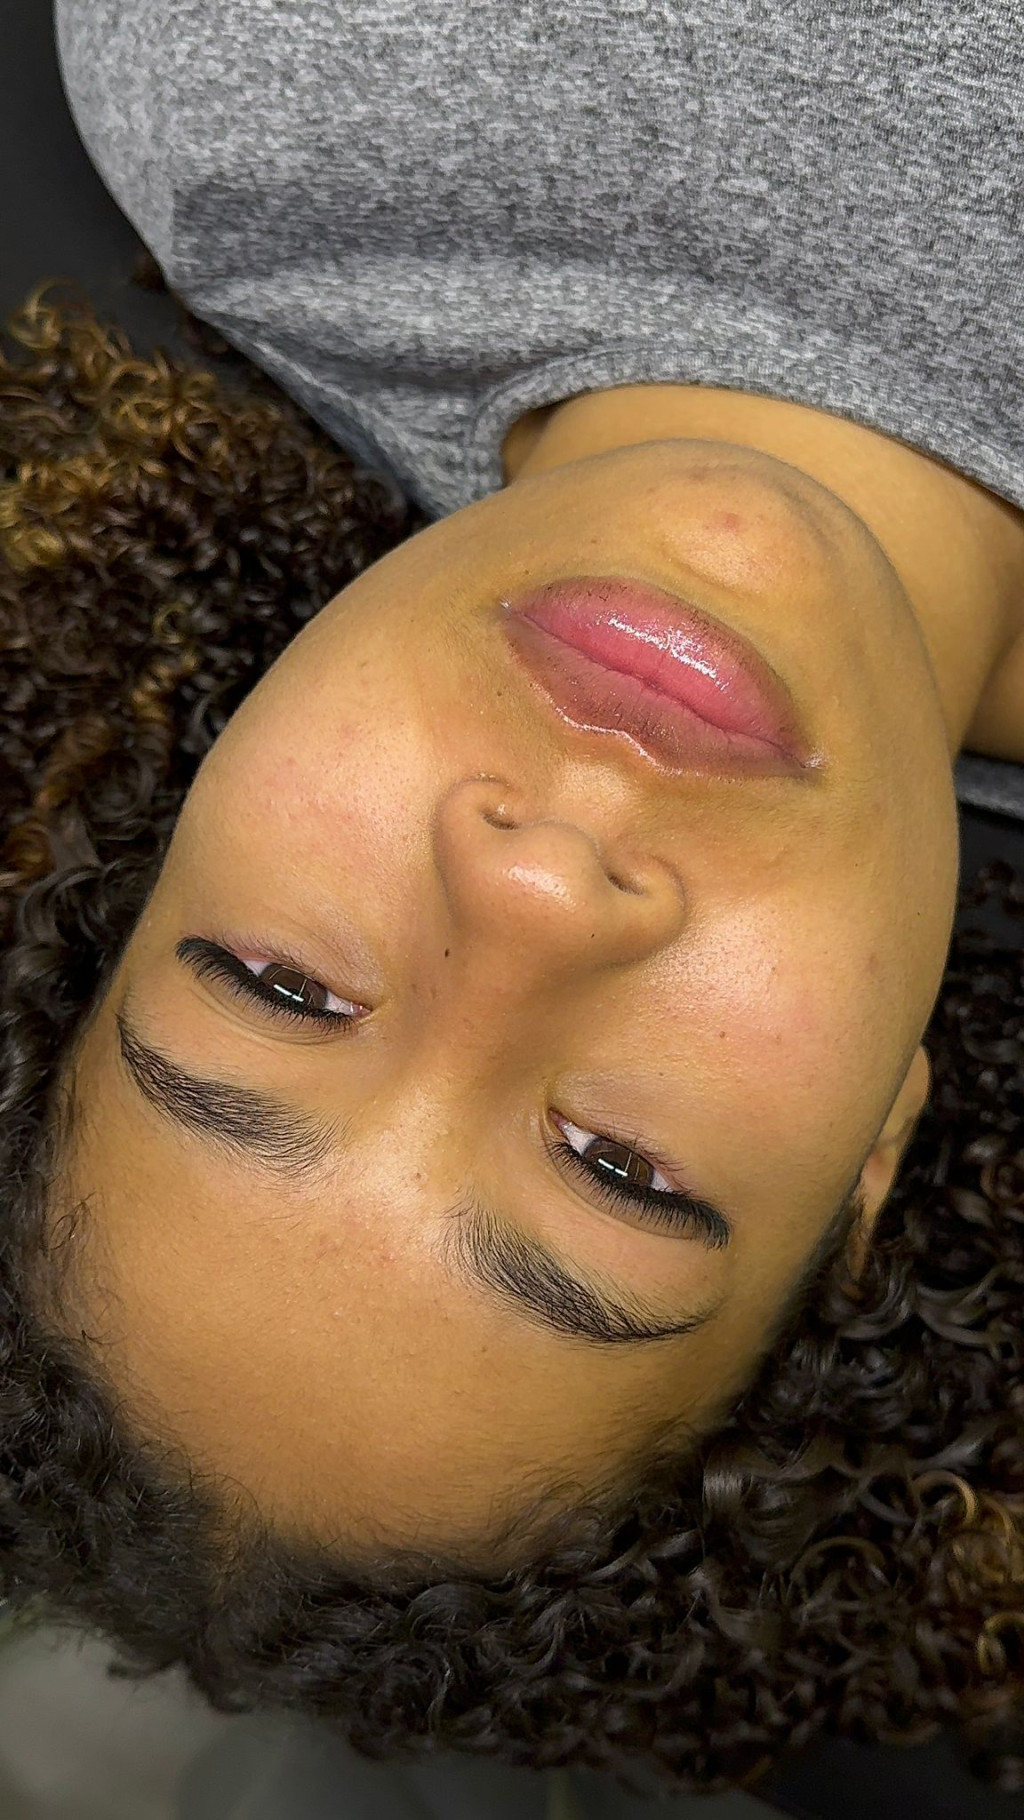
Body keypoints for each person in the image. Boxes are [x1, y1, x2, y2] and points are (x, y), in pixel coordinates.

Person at [0, 0, 1021, 1810]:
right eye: (621, 1169)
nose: (538, 890)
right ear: (872, 1157)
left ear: (169, 815)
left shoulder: (249, 94)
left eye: (281, 986)